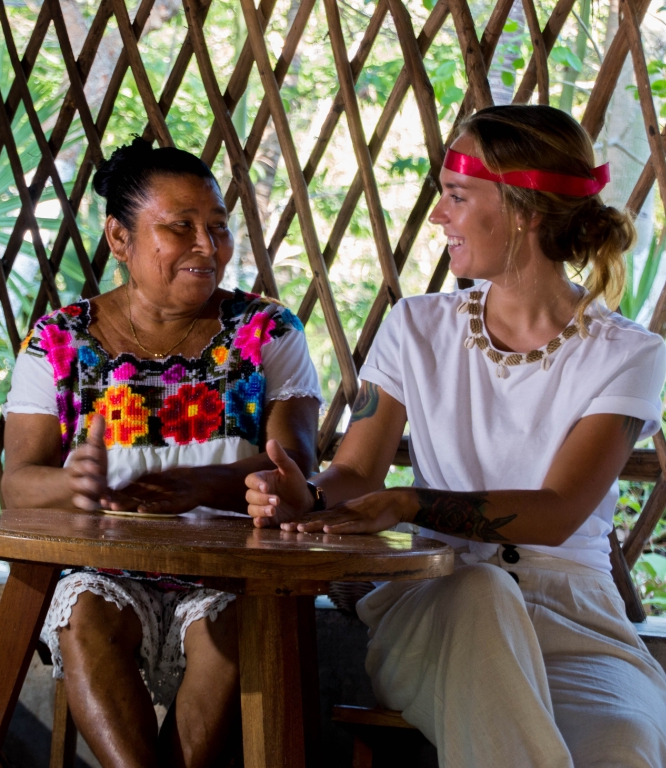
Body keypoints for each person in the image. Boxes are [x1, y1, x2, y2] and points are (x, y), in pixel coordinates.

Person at [245, 104, 666, 767]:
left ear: (523, 209)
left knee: (623, 749)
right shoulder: (416, 328)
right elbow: (355, 472)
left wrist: (413, 504)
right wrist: (310, 497)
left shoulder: (626, 353)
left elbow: (555, 513)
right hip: (439, 600)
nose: (439, 215)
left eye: (457, 196)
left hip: (575, 620)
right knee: (481, 591)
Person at [1, 137, 322, 767]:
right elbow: (18, 484)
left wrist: (202, 488)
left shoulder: (266, 332)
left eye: (218, 228)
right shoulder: (60, 340)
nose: (207, 246)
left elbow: (297, 464)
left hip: (236, 577)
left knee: (238, 622)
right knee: (85, 611)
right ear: (119, 239)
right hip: (106, 570)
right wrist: (78, 486)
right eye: (180, 228)